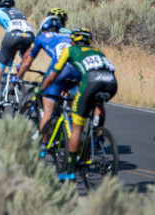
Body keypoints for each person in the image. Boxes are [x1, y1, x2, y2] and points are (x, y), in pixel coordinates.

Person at [38, 28, 117, 182]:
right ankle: (95, 134)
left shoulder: (70, 50)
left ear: (73, 41)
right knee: (98, 103)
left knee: (76, 127)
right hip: (111, 83)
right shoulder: (98, 52)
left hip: (93, 81)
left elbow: (54, 74)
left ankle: (71, 170)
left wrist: (41, 89)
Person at [17, 16, 81, 156]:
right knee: (70, 103)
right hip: (78, 72)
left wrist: (19, 76)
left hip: (60, 71)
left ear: (43, 28)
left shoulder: (42, 36)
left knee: (48, 108)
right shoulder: (68, 36)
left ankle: (43, 146)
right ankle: (69, 129)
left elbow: (27, 62)